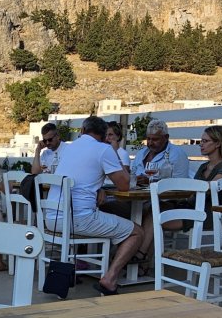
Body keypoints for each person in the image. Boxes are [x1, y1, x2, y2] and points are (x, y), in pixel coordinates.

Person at [44, 116, 149, 295]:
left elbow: (82, 175)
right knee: (137, 232)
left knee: (110, 215)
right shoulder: (104, 150)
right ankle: (110, 278)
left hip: (51, 218)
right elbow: (124, 185)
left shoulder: (69, 148)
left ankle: (103, 266)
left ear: (83, 131)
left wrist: (98, 187)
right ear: (104, 136)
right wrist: (114, 151)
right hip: (78, 219)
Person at [163, 125, 222, 233]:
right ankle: (144, 250)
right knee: (153, 209)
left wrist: (183, 186)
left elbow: (211, 186)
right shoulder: (204, 167)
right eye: (201, 141)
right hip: (192, 208)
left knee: (154, 219)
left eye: (205, 141)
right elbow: (193, 191)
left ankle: (144, 250)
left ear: (218, 143)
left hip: (207, 214)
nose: (201, 144)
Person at [130, 118, 189, 187]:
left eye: (155, 139)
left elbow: (180, 183)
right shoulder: (141, 153)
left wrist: (150, 181)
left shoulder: (177, 154)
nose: (150, 143)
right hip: (137, 195)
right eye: (148, 139)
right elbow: (132, 174)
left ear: (166, 137)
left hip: (164, 197)